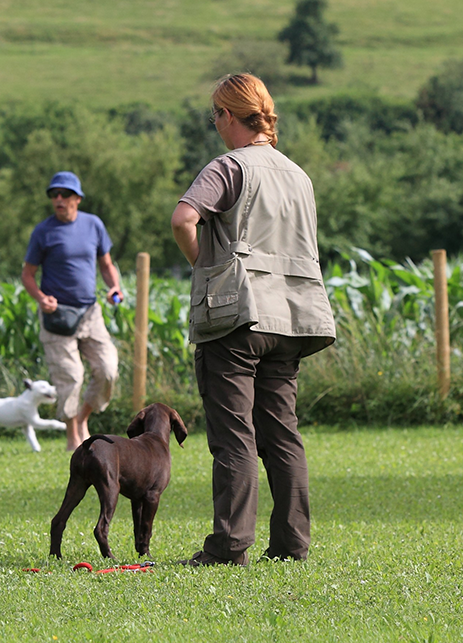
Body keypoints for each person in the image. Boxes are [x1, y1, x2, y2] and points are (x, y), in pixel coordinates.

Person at [171, 74, 336, 566]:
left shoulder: (229, 166)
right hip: (293, 318)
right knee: (282, 434)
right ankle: (290, 547)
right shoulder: (298, 174)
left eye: (215, 116)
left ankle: (228, 548)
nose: (215, 126)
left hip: (237, 316)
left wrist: (204, 264)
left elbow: (183, 219)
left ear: (227, 115)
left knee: (234, 435)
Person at [21, 171, 123, 451]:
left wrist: (114, 287)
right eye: (54, 194)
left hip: (90, 312)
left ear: (77, 198)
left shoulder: (93, 225)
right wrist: (42, 298)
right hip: (57, 317)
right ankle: (72, 438)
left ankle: (82, 417)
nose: (58, 199)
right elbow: (27, 275)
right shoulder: (43, 231)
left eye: (64, 194)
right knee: (71, 376)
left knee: (108, 369)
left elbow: (106, 264)